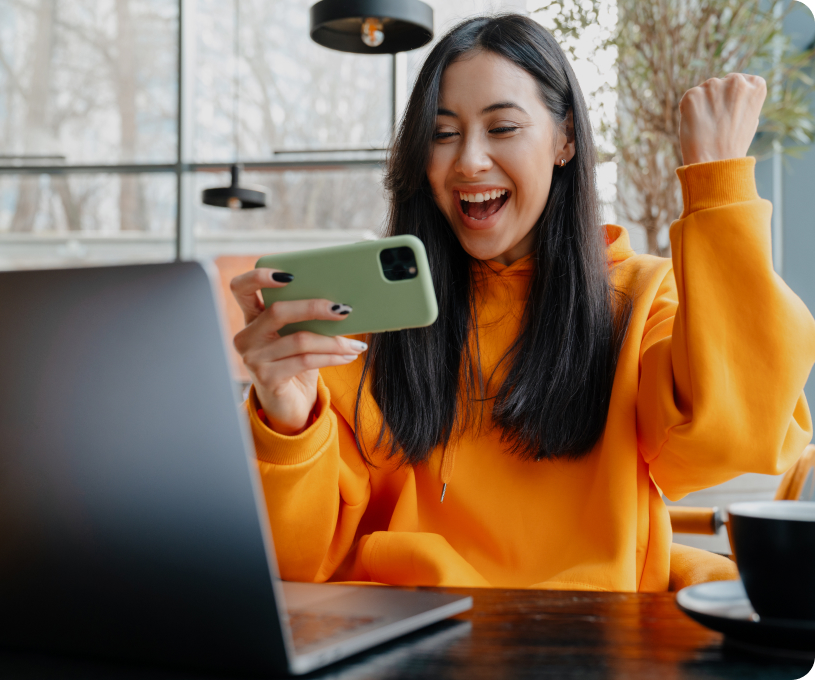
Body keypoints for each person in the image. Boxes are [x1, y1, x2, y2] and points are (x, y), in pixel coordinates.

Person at [229, 14, 815, 591]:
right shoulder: (371, 320)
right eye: (443, 133)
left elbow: (733, 439)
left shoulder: (639, 299)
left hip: (586, 642)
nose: (468, 161)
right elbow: (296, 561)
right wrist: (286, 417)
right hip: (409, 636)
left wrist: (716, 185)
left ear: (564, 140)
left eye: (503, 127)